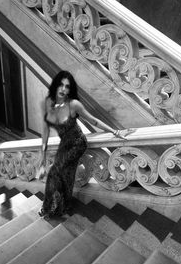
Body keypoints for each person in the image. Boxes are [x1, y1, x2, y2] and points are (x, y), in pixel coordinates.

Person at [38, 70, 134, 218]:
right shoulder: (48, 103)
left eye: (67, 87)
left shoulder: (74, 105)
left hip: (77, 143)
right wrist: (42, 153)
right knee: (67, 174)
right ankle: (64, 205)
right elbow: (45, 130)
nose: (64, 89)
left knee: (54, 173)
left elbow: (93, 120)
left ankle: (48, 207)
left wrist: (114, 131)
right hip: (64, 144)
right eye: (61, 85)